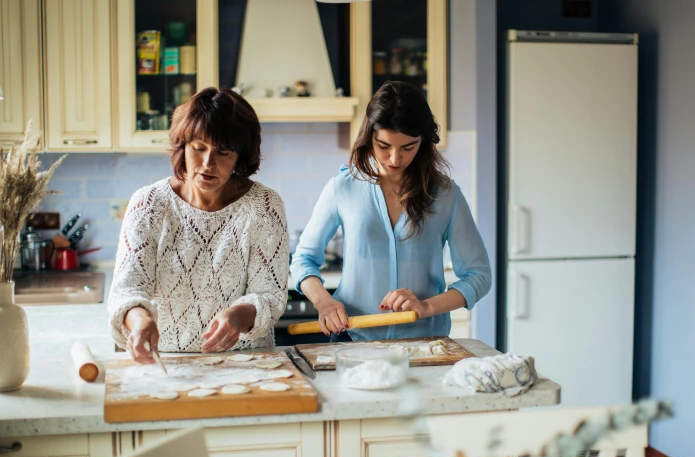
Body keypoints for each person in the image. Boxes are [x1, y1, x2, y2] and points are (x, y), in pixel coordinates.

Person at [290, 81, 491, 342]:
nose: (395, 159)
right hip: (353, 343)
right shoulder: (343, 187)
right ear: (369, 136)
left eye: (408, 147)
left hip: (425, 345)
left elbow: (479, 276)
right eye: (384, 146)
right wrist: (323, 302)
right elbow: (303, 259)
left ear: (424, 142)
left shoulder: (446, 194)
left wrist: (427, 307)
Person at [108, 87, 289, 364]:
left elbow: (271, 295)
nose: (208, 163)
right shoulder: (149, 204)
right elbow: (127, 290)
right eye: (198, 148)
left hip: (245, 363)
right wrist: (140, 321)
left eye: (223, 152)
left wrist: (237, 316)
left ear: (240, 155)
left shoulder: (264, 205)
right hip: (166, 363)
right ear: (183, 146)